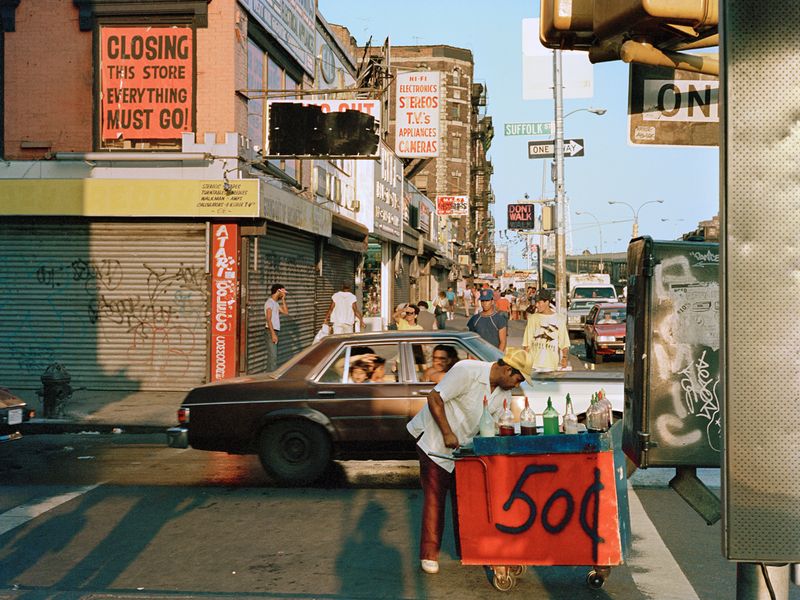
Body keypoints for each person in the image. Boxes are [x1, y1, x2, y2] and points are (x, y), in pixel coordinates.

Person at [407, 347, 533, 574]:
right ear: (507, 369)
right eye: (518, 378)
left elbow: (492, 428)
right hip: (435, 442)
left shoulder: (503, 395)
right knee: (435, 498)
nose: (518, 385)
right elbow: (435, 397)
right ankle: (429, 554)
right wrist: (447, 432)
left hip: (464, 449)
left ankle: (467, 549)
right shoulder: (467, 371)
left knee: (466, 499)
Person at [522, 288, 570, 371]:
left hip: (551, 366)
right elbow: (527, 343)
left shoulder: (559, 319)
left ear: (547, 302)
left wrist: (564, 358)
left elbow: (564, 343)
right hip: (534, 365)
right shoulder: (532, 318)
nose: (536, 305)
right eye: (535, 302)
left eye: (539, 302)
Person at [264, 283, 288, 372]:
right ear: (278, 291)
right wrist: (273, 334)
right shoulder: (269, 302)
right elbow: (268, 319)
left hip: (274, 331)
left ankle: (267, 376)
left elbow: (286, 312)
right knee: (273, 357)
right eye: (283, 292)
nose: (284, 294)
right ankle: (270, 377)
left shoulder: (275, 304)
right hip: (270, 331)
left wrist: (283, 299)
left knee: (273, 357)